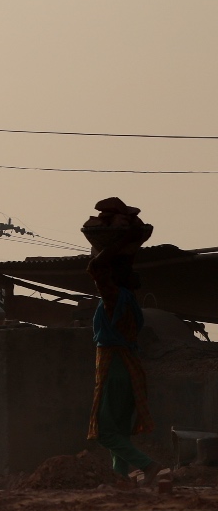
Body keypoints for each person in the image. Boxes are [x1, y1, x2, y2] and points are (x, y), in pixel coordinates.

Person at [86, 199, 158, 480]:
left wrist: (118, 243)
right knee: (118, 431)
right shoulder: (129, 301)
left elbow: (95, 267)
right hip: (129, 368)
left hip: (115, 366)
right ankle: (120, 481)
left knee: (105, 432)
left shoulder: (114, 298)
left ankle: (148, 466)